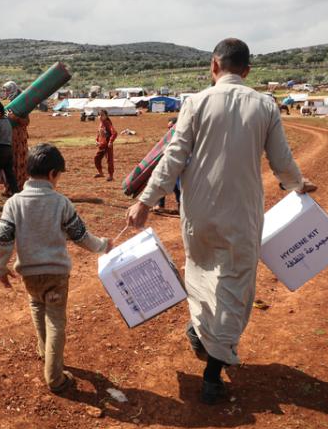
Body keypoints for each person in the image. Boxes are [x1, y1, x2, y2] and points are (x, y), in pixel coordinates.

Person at [125, 38, 317, 405]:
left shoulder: (194, 103)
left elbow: (173, 158)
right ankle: (213, 372)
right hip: (243, 216)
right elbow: (281, 161)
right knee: (234, 287)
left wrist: (146, 200)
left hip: (198, 213)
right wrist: (298, 185)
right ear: (247, 71)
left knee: (198, 274)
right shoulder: (265, 105)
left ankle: (201, 332)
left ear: (214, 66)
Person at [0, 144, 112, 393]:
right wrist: (103, 245)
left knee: (37, 308)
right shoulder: (61, 203)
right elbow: (80, 236)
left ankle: (44, 351)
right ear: (52, 175)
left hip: (30, 276)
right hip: (56, 276)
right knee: (56, 320)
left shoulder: (14, 203)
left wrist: (0, 268)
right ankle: (55, 378)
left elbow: (3, 239)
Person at [1, 82, 31, 190]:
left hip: (19, 138)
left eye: (7, 90)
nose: (6, 92)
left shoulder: (22, 103)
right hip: (9, 138)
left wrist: (14, 118)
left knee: (19, 162)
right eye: (5, 90)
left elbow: (26, 121)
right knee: (9, 162)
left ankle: (18, 186)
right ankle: (9, 186)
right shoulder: (10, 103)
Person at [93, 109, 117, 181]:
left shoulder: (107, 123)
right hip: (101, 145)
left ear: (106, 116)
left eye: (102, 115)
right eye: (99, 115)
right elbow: (99, 134)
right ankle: (101, 173)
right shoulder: (101, 123)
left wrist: (110, 142)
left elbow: (114, 133)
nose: (100, 116)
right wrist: (97, 141)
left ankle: (111, 176)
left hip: (107, 146)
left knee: (109, 161)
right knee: (96, 158)